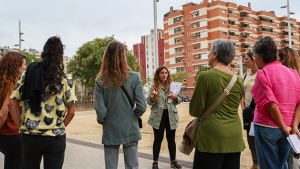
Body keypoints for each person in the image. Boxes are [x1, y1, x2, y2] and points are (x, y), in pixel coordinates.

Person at [8, 36, 77, 169]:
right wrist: (58, 127)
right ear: (60, 56)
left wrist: (22, 126)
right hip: (55, 139)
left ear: (43, 53)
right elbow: (72, 112)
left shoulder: (27, 75)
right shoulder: (65, 79)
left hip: (30, 137)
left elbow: (11, 103)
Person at [190, 39, 245, 169]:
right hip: (234, 136)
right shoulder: (238, 80)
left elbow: (195, 111)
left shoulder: (205, 76)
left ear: (215, 54)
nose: (208, 55)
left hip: (211, 138)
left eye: (209, 52)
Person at [94, 41, 147, 169]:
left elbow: (101, 111)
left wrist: (103, 121)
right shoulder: (134, 77)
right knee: (132, 166)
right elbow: (142, 106)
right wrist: (133, 116)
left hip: (110, 129)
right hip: (130, 127)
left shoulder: (100, 80)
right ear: (123, 56)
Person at [251, 36, 300, 169]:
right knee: (281, 164)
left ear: (260, 58)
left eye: (255, 58)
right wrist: (294, 126)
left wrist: (283, 126)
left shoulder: (263, 73)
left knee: (269, 166)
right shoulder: (293, 73)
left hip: (268, 127)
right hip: (289, 128)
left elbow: (271, 105)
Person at [147, 66, 182, 169]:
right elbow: (149, 101)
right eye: (162, 73)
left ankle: (173, 161)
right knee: (158, 139)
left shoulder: (172, 86)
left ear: (168, 74)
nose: (164, 75)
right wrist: (154, 96)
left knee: (171, 139)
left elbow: (179, 99)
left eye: (166, 73)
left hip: (171, 115)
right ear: (158, 75)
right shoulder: (154, 86)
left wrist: (175, 97)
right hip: (158, 116)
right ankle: (155, 162)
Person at [0, 52, 26, 169]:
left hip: (4, 137)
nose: (25, 67)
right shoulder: (13, 86)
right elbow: (2, 114)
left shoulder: (2, 84)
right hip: (13, 135)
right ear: (17, 66)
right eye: (24, 64)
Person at [277, 47, 300, 169]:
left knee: (288, 160)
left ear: (284, 59)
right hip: (293, 124)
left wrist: (294, 126)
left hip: (290, 125)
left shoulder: (286, 79)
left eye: (277, 58)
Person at [241, 51, 260, 169]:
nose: (244, 61)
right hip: (247, 113)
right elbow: (242, 95)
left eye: (246, 59)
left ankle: (261, 163)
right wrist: (243, 108)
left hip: (258, 112)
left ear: (254, 60)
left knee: (259, 140)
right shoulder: (245, 76)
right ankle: (255, 164)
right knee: (250, 140)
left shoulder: (261, 74)